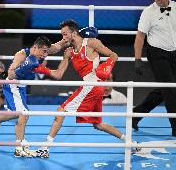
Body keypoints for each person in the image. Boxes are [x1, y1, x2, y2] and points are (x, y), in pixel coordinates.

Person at [36, 19, 140, 158]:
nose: (63, 37)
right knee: (98, 124)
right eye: (62, 35)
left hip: (93, 85)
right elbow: (59, 73)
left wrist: (106, 68)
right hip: (92, 87)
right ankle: (130, 142)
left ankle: (45, 147)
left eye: (65, 34)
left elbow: (113, 55)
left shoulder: (91, 43)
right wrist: (40, 68)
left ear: (73, 32)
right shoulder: (69, 51)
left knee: (61, 111)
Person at [0, 36, 70, 157]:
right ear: (35, 47)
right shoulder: (21, 55)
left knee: (15, 113)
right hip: (13, 85)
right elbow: (11, 74)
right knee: (23, 114)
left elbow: (57, 47)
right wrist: (25, 67)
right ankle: (18, 148)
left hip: (21, 87)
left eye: (46, 51)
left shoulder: (43, 52)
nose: (45, 55)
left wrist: (67, 43)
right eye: (43, 51)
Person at [133, 0, 176, 138]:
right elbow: (140, 36)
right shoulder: (148, 12)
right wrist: (137, 59)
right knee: (170, 89)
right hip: (156, 53)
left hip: (172, 53)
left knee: (163, 89)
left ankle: (135, 114)